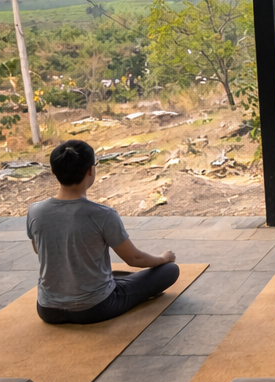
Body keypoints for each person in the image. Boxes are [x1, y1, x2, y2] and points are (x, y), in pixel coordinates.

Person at [28, 139, 180, 325]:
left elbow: (39, 249)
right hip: (96, 307)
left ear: (53, 171)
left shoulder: (35, 211)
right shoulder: (103, 215)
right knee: (169, 270)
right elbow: (134, 259)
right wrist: (163, 258)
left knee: (112, 274)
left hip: (47, 310)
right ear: (91, 170)